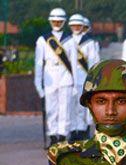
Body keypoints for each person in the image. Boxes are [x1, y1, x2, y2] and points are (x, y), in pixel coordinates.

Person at [34, 8, 78, 146]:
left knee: (65, 108)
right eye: (54, 21)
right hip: (50, 79)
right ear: (50, 21)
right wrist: (38, 83)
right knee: (51, 108)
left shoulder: (70, 40)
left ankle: (62, 136)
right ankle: (53, 135)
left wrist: (75, 84)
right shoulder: (43, 40)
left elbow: (74, 63)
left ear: (64, 22)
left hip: (66, 78)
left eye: (59, 21)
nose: (57, 23)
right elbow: (38, 63)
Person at [69, 13, 100, 142]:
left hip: (84, 77)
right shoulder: (66, 41)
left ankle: (82, 130)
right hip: (69, 78)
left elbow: (94, 61)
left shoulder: (89, 42)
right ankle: (72, 130)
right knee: (71, 106)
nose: (76, 27)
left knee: (82, 106)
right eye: (74, 25)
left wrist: (93, 78)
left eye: (79, 25)